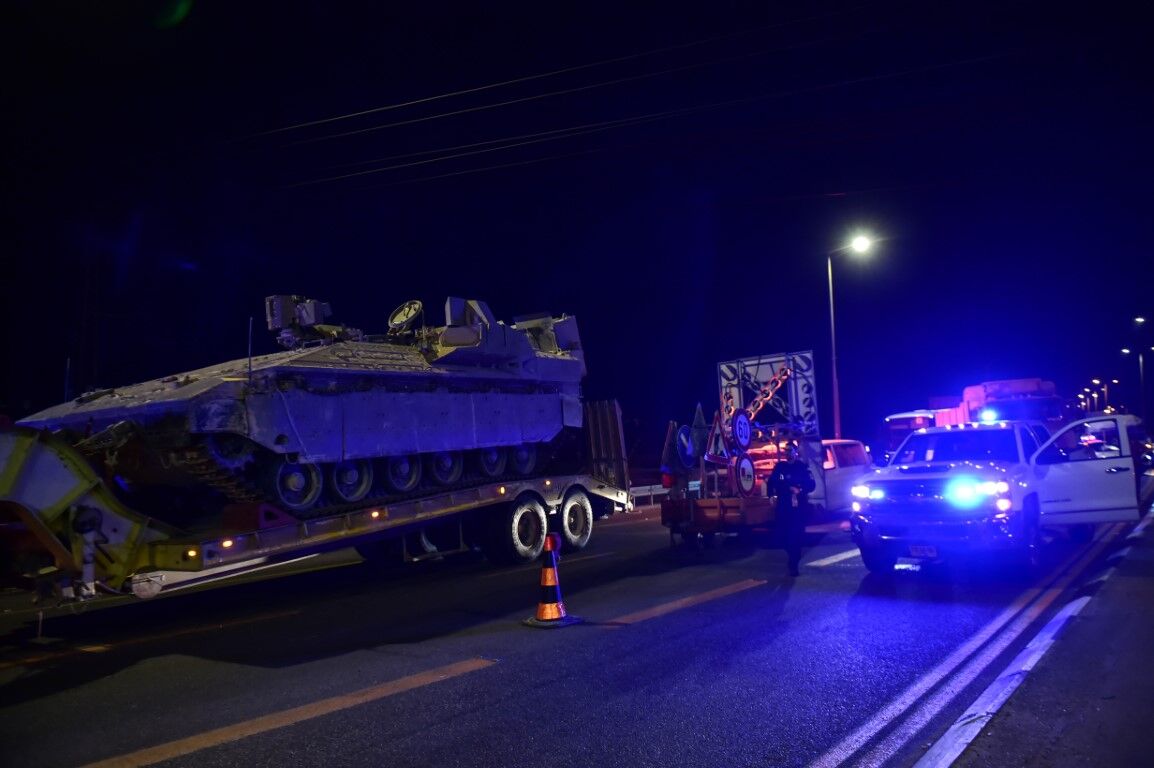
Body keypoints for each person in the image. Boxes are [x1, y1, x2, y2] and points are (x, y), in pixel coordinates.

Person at [769, 442, 816, 577]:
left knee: (796, 535)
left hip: (798, 507)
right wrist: (772, 494)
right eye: (786, 450)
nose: (788, 453)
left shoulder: (801, 467)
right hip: (784, 505)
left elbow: (811, 484)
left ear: (795, 452)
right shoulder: (780, 467)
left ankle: (793, 564)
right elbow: (774, 481)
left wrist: (800, 489)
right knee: (783, 536)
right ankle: (791, 555)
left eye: (790, 450)